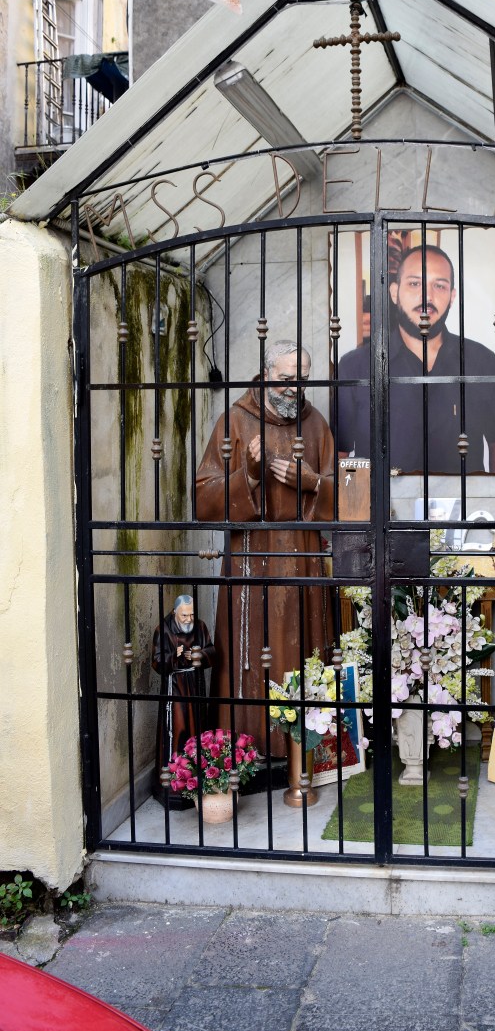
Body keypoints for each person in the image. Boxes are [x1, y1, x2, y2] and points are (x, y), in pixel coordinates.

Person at [196, 340, 334, 759]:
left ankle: (303, 753)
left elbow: (344, 496)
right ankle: (245, 751)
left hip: (303, 559)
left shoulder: (315, 424)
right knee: (253, 656)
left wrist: (311, 482)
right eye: (286, 378)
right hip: (252, 559)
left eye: (303, 379)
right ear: (266, 372)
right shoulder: (235, 421)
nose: (295, 388)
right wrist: (250, 476)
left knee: (302, 650)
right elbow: (203, 500)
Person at [336, 245, 495, 473]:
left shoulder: (483, 363)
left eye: (439, 285)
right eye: (414, 284)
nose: (427, 296)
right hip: (382, 497)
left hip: (464, 496)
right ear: (394, 292)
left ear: (452, 296)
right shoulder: (356, 366)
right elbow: (340, 455)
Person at [151, 595, 215, 806]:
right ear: (174, 613)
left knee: (197, 728)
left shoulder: (200, 626)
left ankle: (197, 775)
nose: (189, 619)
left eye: (191, 615)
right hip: (175, 686)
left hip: (195, 683)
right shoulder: (163, 630)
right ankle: (175, 779)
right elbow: (157, 661)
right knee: (177, 730)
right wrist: (174, 655)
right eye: (184, 615)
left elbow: (212, 651)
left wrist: (199, 655)